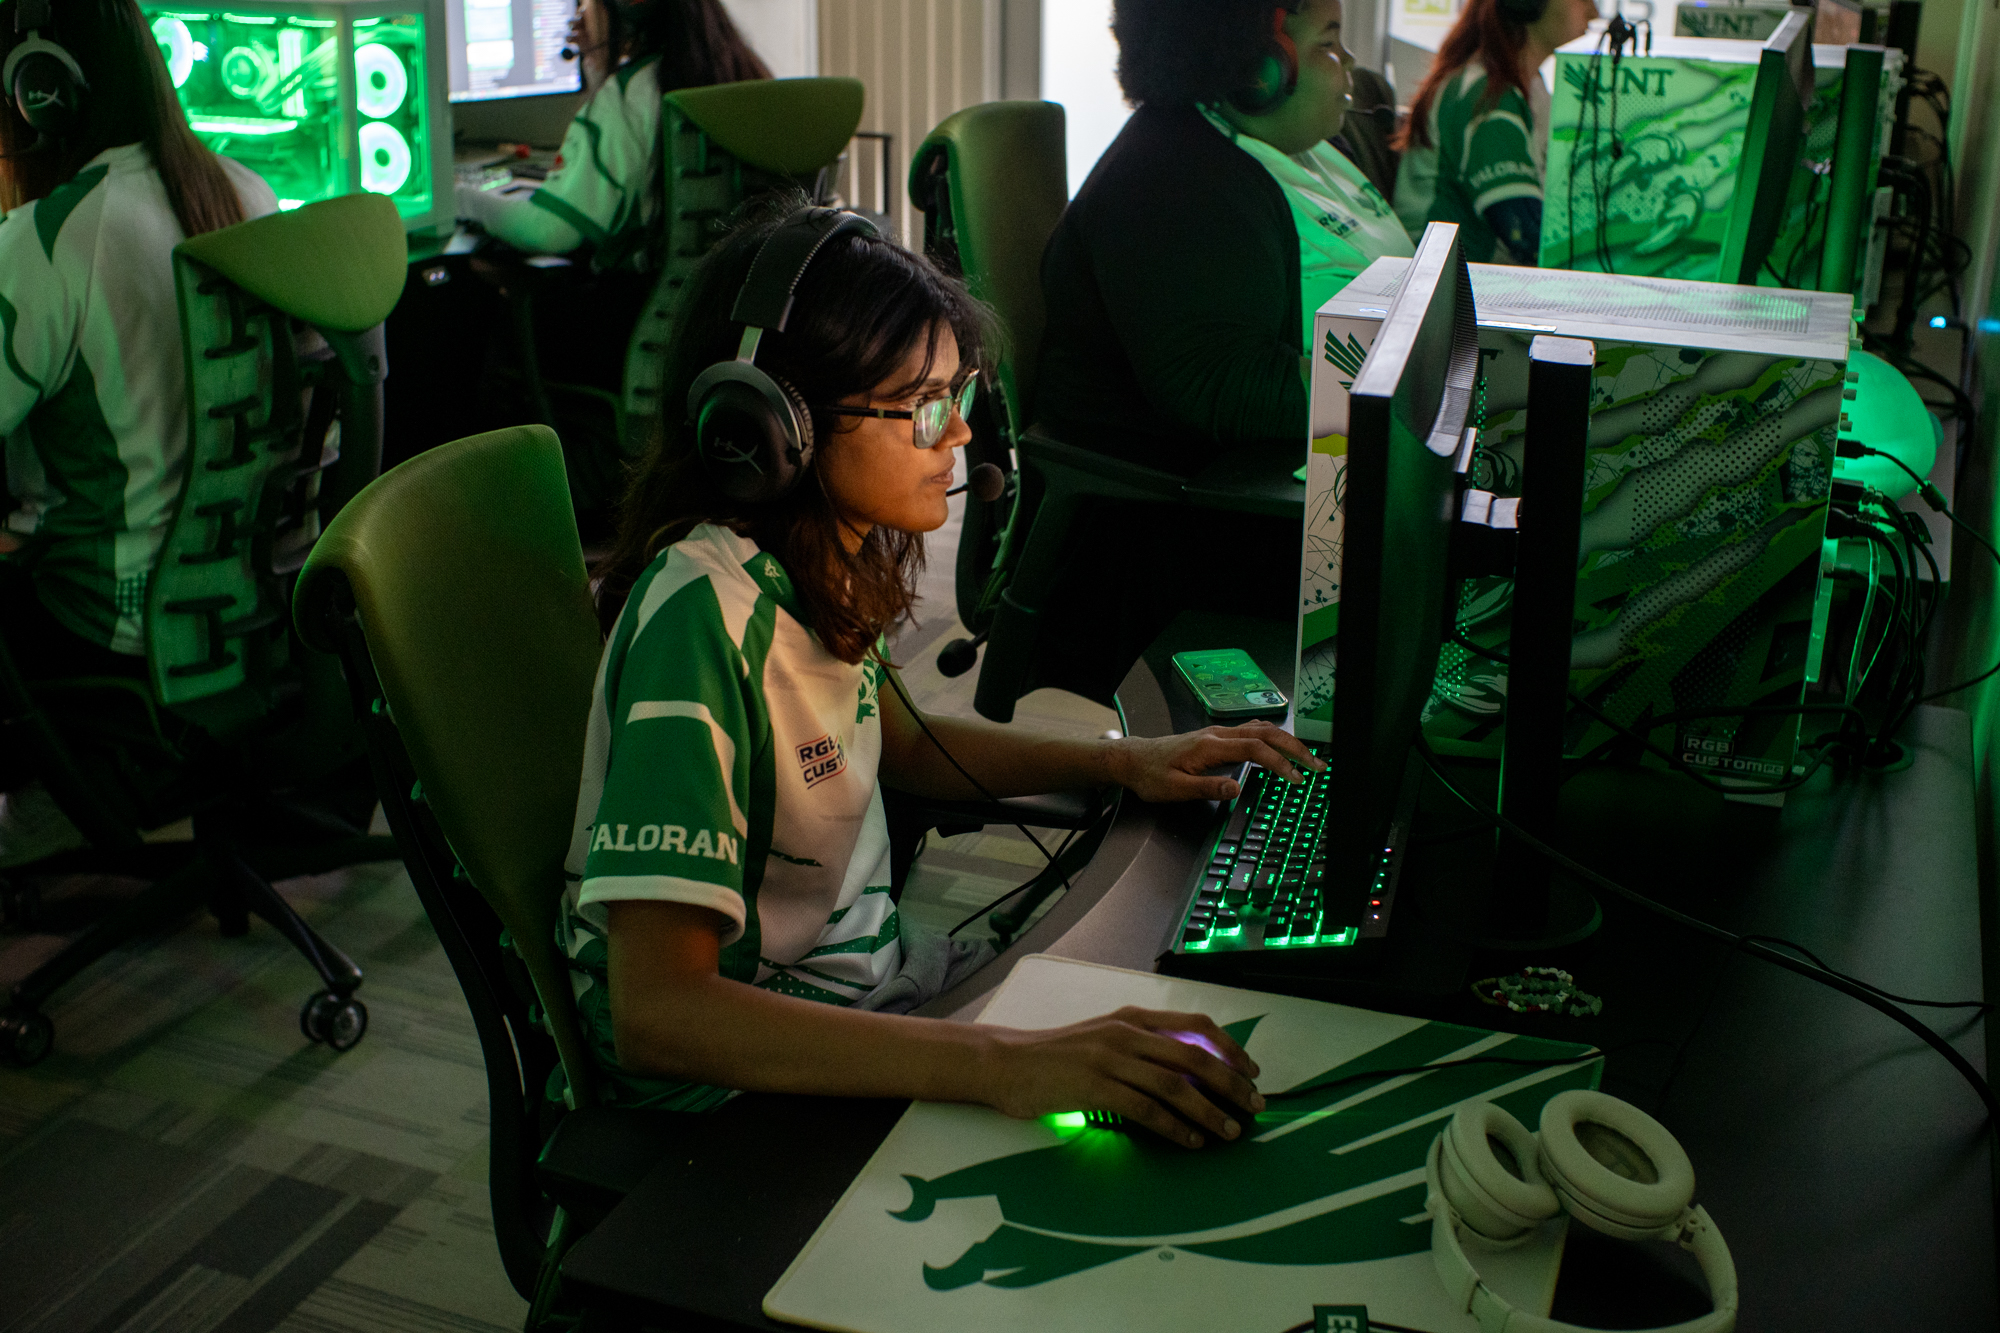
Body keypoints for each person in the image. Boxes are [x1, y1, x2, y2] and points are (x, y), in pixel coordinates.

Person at [563, 199, 1324, 1145]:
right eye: (924, 409)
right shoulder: (702, 626)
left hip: (872, 997)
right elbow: (662, 1013)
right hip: (733, 1105)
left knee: (1181, 1039)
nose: (957, 438)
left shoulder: (813, 564)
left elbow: (902, 741)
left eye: (958, 400)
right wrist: (1001, 1062)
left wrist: (1125, 761)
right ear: (770, 428)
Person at [0, 0, 277, 674]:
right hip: (254, 620)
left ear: (41, 96)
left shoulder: (50, 240)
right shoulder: (250, 192)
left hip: (108, 632)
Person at [1036, 0, 1412, 476]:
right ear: (1259, 70)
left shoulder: (1296, 148)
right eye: (1329, 42)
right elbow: (1225, 389)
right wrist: (1410, 389)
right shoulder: (1173, 185)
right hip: (1203, 511)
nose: (1351, 60)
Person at [453, 0, 771, 269]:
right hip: (731, 307)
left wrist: (462, 199)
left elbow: (546, 230)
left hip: (642, 314)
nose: (580, 12)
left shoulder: (626, 95)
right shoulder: (743, 72)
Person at [1391, 0, 1597, 265]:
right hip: (1451, 290)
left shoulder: (1532, 90)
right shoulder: (1486, 98)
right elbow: (1526, 235)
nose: (1594, 12)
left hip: (1479, 283)